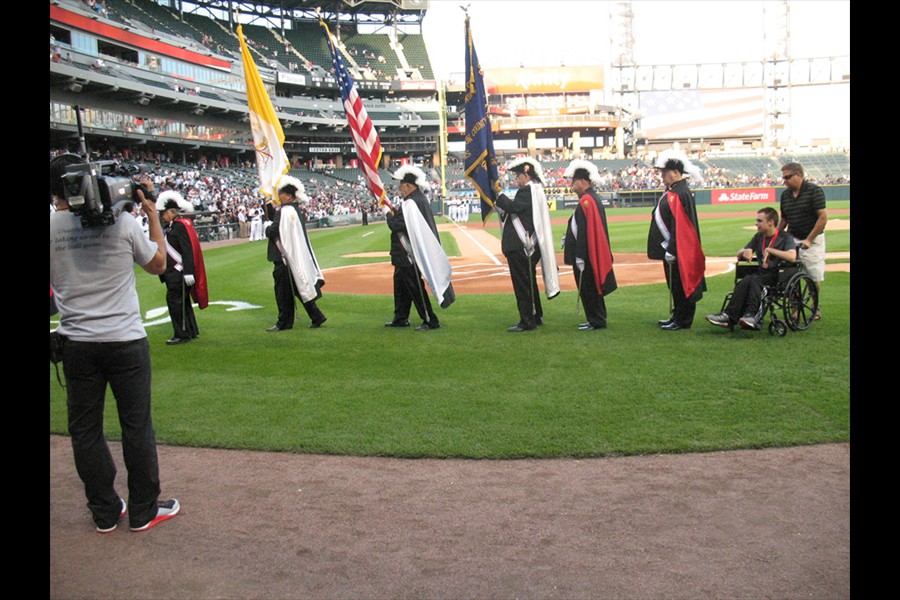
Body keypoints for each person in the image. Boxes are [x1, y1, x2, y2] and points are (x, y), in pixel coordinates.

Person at [49, 154, 180, 533]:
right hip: (124, 340)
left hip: (76, 342)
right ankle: (143, 511)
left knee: (85, 430)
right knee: (136, 427)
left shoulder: (51, 227)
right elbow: (158, 264)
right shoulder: (121, 222)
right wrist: (152, 213)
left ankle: (104, 511)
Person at [384, 165, 455, 330]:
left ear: (408, 186)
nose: (399, 189)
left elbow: (396, 225)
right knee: (401, 287)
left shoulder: (411, 202)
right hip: (404, 253)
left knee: (415, 287)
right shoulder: (419, 200)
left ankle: (430, 319)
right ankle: (401, 317)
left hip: (408, 253)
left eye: (401, 186)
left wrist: (387, 213)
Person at [494, 157, 560, 332]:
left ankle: (527, 321)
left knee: (522, 284)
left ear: (526, 174)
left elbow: (513, 207)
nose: (517, 180)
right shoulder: (535, 191)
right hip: (529, 246)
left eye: (518, 176)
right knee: (529, 282)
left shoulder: (527, 191)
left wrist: (498, 194)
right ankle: (535, 314)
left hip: (521, 246)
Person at [706, 207, 798, 331]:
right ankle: (731, 316)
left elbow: (792, 256)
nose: (756, 223)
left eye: (760, 221)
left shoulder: (785, 237)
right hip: (761, 274)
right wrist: (747, 250)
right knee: (747, 281)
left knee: (753, 280)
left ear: (770, 222)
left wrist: (770, 250)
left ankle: (747, 315)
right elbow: (740, 253)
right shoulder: (759, 236)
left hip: (778, 275)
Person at [647, 149, 706, 330]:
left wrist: (672, 250)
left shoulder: (680, 193)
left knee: (682, 285)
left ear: (676, 172)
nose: (662, 176)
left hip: (679, 249)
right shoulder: (673, 191)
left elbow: (679, 227)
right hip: (672, 248)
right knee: (675, 285)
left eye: (665, 173)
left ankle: (683, 320)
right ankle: (677, 315)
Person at [265, 177, 327, 331]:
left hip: (283, 258)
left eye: (283, 193)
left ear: (290, 196)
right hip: (292, 257)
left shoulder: (285, 211)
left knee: (283, 293)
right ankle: (317, 316)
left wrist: (266, 227)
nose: (279, 196)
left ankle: (284, 322)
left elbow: (273, 231)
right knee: (300, 289)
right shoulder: (295, 210)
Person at [563, 160, 617, 330]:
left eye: (575, 181)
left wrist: (580, 255)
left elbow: (586, 233)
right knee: (589, 288)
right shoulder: (589, 199)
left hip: (586, 256)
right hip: (586, 255)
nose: (572, 184)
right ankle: (595, 318)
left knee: (589, 288)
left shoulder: (587, 200)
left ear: (584, 182)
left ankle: (597, 320)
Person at [779, 162, 826, 319]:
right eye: (783, 177)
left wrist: (809, 239)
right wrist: (777, 237)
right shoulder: (785, 195)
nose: (784, 180)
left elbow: (822, 217)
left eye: (787, 177)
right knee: (791, 275)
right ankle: (795, 309)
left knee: (813, 276)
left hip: (812, 239)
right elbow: (784, 220)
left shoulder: (814, 191)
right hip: (793, 238)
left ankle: (815, 304)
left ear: (798, 175)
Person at [157, 191, 201, 345]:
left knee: (175, 302)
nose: (162, 216)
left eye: (163, 213)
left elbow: (187, 250)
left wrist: (188, 272)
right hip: (174, 273)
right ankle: (190, 330)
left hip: (178, 273)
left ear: (171, 212)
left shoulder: (179, 227)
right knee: (184, 303)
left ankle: (181, 333)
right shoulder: (172, 227)